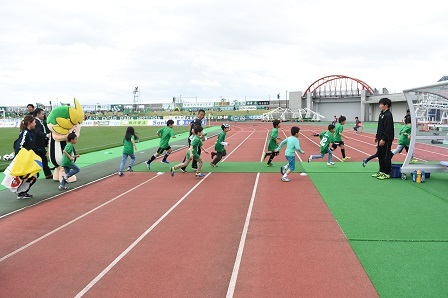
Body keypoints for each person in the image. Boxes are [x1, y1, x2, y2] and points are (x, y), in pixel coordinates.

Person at [14, 115, 37, 199]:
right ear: (29, 123)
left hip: (28, 158)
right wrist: (20, 158)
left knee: (33, 175)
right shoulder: (25, 133)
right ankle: (20, 191)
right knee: (32, 175)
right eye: (34, 122)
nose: (35, 124)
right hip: (23, 159)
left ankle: (21, 191)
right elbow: (20, 146)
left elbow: (31, 146)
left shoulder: (30, 132)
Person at [372, 97, 394, 180]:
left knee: (386, 155)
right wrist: (377, 137)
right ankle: (381, 171)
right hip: (380, 138)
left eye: (381, 104)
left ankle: (387, 173)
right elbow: (380, 127)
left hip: (386, 139)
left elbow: (388, 129)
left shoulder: (388, 115)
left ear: (386, 105)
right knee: (380, 155)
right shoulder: (381, 114)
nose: (379, 106)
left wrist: (384, 139)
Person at [33, 108, 52, 179]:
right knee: (40, 159)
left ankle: (48, 174)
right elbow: (37, 132)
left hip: (40, 143)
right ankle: (47, 174)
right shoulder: (35, 122)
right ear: (37, 114)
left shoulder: (41, 122)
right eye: (42, 114)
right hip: (37, 144)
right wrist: (46, 135)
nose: (43, 115)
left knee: (43, 159)